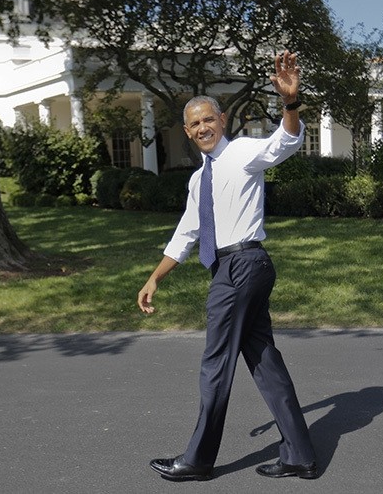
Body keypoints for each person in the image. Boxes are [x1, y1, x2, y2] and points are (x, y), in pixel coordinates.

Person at [137, 50, 317, 482]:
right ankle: (300, 455)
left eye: (208, 120)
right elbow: (187, 233)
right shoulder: (199, 178)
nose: (202, 128)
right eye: (194, 123)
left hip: (242, 265)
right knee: (264, 360)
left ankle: (198, 460)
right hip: (237, 269)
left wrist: (290, 104)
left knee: (216, 362)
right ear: (187, 130)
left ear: (222, 120)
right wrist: (154, 279)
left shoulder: (243, 153)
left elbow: (286, 142)